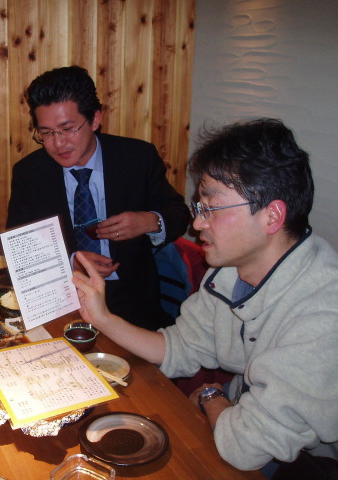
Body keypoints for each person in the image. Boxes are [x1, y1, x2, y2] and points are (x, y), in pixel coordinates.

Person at [72, 118, 338, 475]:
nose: (197, 224)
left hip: (308, 461)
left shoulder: (322, 312)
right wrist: (101, 317)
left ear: (272, 216)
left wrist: (213, 397)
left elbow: (246, 448)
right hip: (241, 419)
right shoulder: (230, 270)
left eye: (210, 209)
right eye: (199, 209)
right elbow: (178, 348)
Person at [6, 66, 191, 331]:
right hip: (62, 299)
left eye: (68, 129)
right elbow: (20, 246)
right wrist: (71, 262)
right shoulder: (30, 173)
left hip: (133, 302)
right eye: (46, 133)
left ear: (94, 119)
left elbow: (179, 214)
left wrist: (150, 221)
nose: (58, 144)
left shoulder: (137, 158)